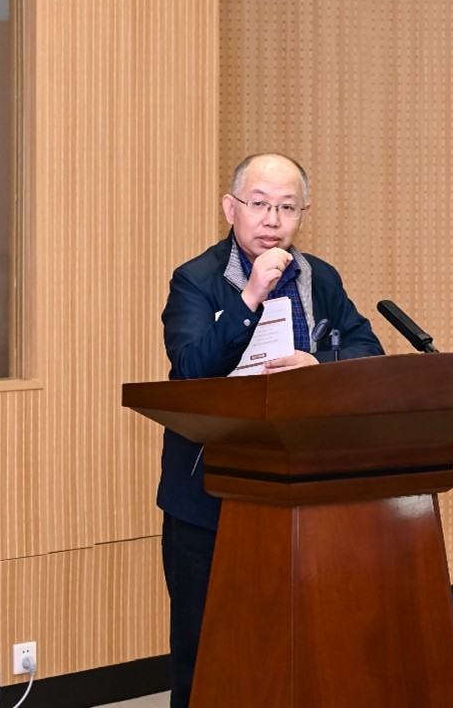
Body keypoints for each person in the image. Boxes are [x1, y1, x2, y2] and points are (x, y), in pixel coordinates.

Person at [158, 153, 384, 707]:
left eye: (286, 207)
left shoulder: (319, 277)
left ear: (302, 214)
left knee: (293, 645)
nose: (272, 220)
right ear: (230, 208)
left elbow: (367, 349)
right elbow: (191, 369)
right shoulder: (196, 280)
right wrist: (250, 298)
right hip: (211, 494)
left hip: (304, 489)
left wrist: (317, 365)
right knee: (207, 650)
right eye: (259, 204)